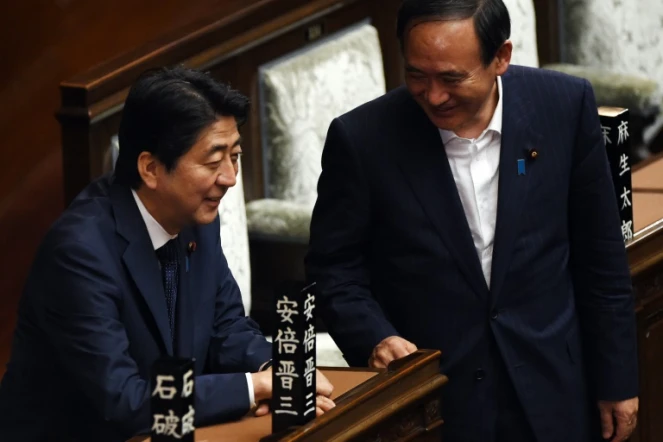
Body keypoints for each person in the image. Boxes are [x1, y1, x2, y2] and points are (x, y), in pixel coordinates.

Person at [305, 0, 638, 441]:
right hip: (437, 403)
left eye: (451, 78)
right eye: (416, 76)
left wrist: (616, 380)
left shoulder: (563, 106)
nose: (434, 95)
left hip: (554, 389)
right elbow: (334, 270)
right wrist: (374, 338)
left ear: (500, 57)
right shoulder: (364, 140)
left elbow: (601, 259)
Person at [0, 66, 334, 442]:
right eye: (213, 161)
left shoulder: (197, 216)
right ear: (151, 168)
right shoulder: (79, 253)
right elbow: (126, 402)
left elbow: (226, 327)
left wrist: (275, 370)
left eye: (235, 156)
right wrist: (253, 388)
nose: (229, 177)